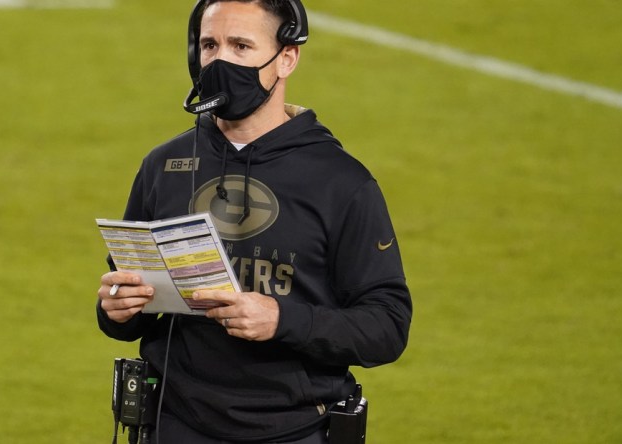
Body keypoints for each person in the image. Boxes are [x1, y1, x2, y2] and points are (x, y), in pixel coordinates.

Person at [96, 1, 412, 442]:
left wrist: (283, 319)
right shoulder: (164, 165)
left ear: (287, 57)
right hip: (175, 424)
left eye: (241, 45)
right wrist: (117, 308)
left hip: (294, 429)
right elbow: (127, 306)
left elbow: (387, 326)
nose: (220, 60)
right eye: (210, 45)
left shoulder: (340, 182)